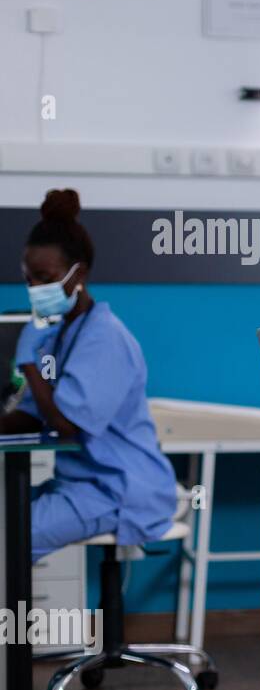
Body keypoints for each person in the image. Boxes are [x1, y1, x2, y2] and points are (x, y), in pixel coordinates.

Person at [0, 189, 176, 559]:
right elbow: (32, 413)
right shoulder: (61, 333)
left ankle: (13, 617)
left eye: (45, 278)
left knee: (9, 536)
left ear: (79, 272)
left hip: (119, 488)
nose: (35, 290)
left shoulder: (104, 338)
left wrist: (28, 363)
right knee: (8, 518)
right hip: (79, 482)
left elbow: (68, 425)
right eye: (29, 279)